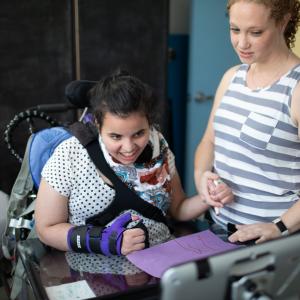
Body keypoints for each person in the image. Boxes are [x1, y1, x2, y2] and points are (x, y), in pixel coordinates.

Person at [35, 70, 209, 256]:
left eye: (138, 134)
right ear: (97, 124)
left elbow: (178, 208)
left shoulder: (158, 146)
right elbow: (46, 229)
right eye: (115, 136)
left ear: (149, 123)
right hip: (93, 271)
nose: (128, 148)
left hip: (161, 262)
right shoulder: (70, 155)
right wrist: (106, 241)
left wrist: (209, 198)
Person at [194, 0, 300, 244]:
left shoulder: (295, 88)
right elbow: (209, 142)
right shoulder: (232, 77)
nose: (242, 43)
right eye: (235, 29)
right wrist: (202, 178)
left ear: (283, 22)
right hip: (219, 229)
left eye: (256, 32)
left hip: (274, 242)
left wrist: (279, 227)